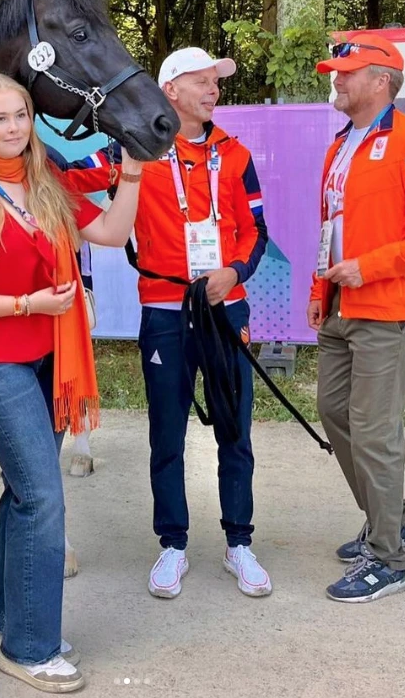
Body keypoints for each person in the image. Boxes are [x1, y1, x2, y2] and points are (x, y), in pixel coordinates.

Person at [0, 72, 143, 694]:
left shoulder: (44, 187)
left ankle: (19, 627)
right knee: (44, 495)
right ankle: (31, 648)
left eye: (22, 114)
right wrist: (27, 305)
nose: (16, 127)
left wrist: (130, 176)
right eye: (1, 118)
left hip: (48, 358)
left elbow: (112, 233)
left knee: (25, 495)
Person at [65, 47, 271, 598]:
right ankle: (172, 545)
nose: (214, 91)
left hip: (227, 310)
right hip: (164, 311)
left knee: (236, 429)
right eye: (202, 82)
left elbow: (257, 232)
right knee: (166, 434)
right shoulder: (130, 151)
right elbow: (67, 179)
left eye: (216, 83)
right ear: (170, 90)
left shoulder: (237, 154)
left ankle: (239, 542)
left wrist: (233, 271)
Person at [308, 34, 405, 603]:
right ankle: (392, 519)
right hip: (342, 307)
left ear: (382, 81)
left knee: (374, 430)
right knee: (333, 412)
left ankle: (387, 558)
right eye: (335, 71)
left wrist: (369, 268)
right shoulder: (340, 145)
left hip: (392, 310)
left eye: (347, 72)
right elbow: (332, 227)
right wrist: (318, 289)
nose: (336, 79)